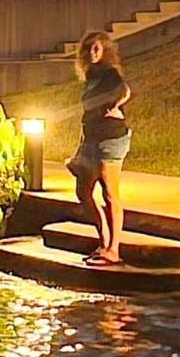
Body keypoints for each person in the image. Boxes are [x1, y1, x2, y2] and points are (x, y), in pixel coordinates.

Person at [68, 30, 132, 265]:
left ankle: (113, 248)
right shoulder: (90, 76)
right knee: (83, 192)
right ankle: (103, 239)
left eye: (97, 48)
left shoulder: (110, 73)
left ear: (105, 50)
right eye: (89, 49)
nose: (92, 53)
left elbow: (125, 90)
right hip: (91, 138)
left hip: (111, 137)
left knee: (109, 192)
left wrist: (114, 106)